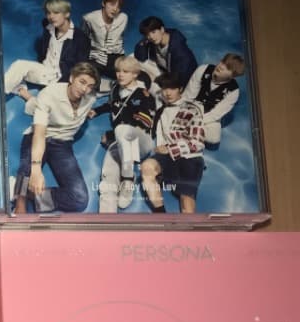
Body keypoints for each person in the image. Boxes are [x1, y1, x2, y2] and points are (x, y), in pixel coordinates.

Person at [11, 62, 100, 214]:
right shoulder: (50, 94)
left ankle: (30, 194)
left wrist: (90, 112)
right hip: (40, 135)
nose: (84, 89)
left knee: (79, 200)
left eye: (90, 86)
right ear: (71, 78)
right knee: (27, 170)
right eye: (82, 82)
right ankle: (20, 199)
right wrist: (36, 170)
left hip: (62, 144)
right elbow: (39, 133)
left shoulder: (90, 98)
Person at [90, 56, 156, 212]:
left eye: (126, 71)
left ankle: (128, 179)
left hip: (141, 141)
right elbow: (113, 105)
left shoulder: (144, 95)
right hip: (122, 143)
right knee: (108, 175)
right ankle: (106, 218)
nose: (120, 75)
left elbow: (144, 123)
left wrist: (112, 135)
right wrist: (96, 111)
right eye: (118, 71)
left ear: (135, 74)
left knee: (121, 130)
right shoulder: (116, 89)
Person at [140, 74, 206, 213]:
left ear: (180, 89)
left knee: (186, 203)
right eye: (164, 88)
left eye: (172, 88)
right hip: (167, 158)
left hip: (189, 157)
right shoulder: (161, 110)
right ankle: (160, 215)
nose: (167, 93)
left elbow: (197, 143)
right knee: (146, 167)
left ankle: (187, 227)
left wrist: (170, 148)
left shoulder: (192, 109)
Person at [4, 0, 90, 96]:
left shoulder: (81, 38)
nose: (51, 17)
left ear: (67, 14)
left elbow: (80, 69)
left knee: (46, 98)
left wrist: (63, 86)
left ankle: (22, 91)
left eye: (56, 13)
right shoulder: (48, 26)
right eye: (48, 13)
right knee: (19, 65)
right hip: (44, 70)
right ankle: (1, 92)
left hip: (61, 78)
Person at [182, 53, 245, 145]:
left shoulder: (234, 91)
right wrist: (184, 113)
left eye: (227, 68)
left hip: (209, 114)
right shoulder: (203, 69)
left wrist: (195, 122)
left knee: (214, 138)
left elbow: (216, 113)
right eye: (223, 62)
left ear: (233, 75)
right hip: (193, 106)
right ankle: (188, 131)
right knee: (172, 114)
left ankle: (187, 131)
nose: (221, 66)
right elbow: (188, 96)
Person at [134, 16, 197, 89]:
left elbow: (180, 79)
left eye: (153, 32)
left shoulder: (180, 50)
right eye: (147, 34)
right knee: (133, 61)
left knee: (145, 80)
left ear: (162, 29)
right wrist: (145, 40)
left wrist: (157, 80)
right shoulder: (155, 40)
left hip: (183, 84)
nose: (151, 37)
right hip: (166, 73)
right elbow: (140, 57)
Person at [81, 0, 128, 80]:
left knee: (133, 77)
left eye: (118, 7)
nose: (115, 9)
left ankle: (115, 84)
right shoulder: (89, 18)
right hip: (96, 58)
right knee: (89, 78)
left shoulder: (123, 18)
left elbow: (120, 38)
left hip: (116, 58)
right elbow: (83, 40)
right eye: (112, 4)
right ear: (103, 3)